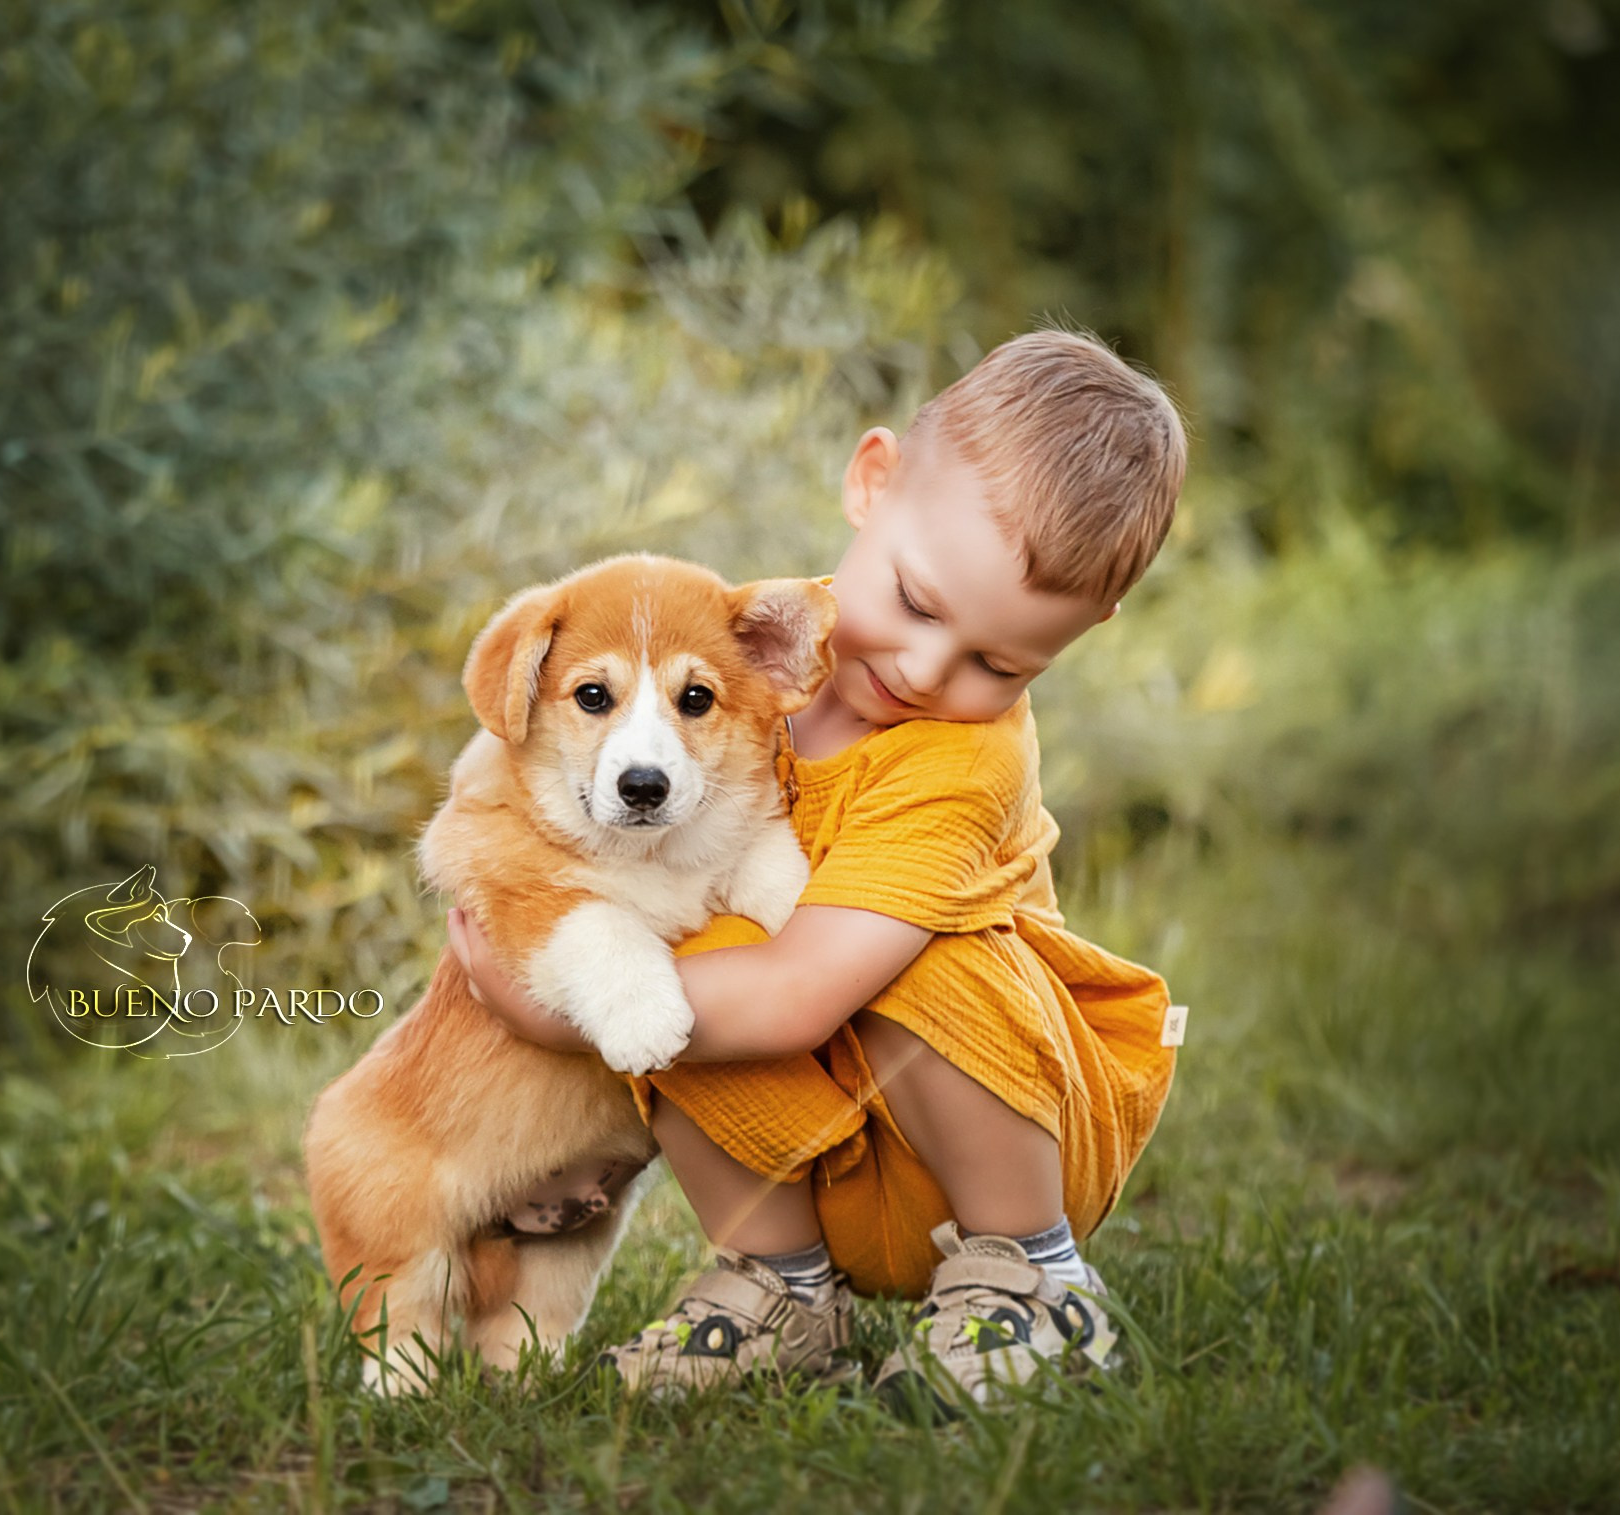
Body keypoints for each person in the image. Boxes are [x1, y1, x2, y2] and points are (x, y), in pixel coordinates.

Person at [446, 328, 1188, 1417]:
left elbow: (799, 996)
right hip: (819, 1149)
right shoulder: (735, 644)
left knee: (910, 958)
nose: (924, 670)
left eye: (999, 663)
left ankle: (1037, 1285)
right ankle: (777, 1290)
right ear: (870, 481)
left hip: (987, 1141)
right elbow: (542, 784)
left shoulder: (962, 761)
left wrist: (561, 1016)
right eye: (920, 605)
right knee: (661, 917)